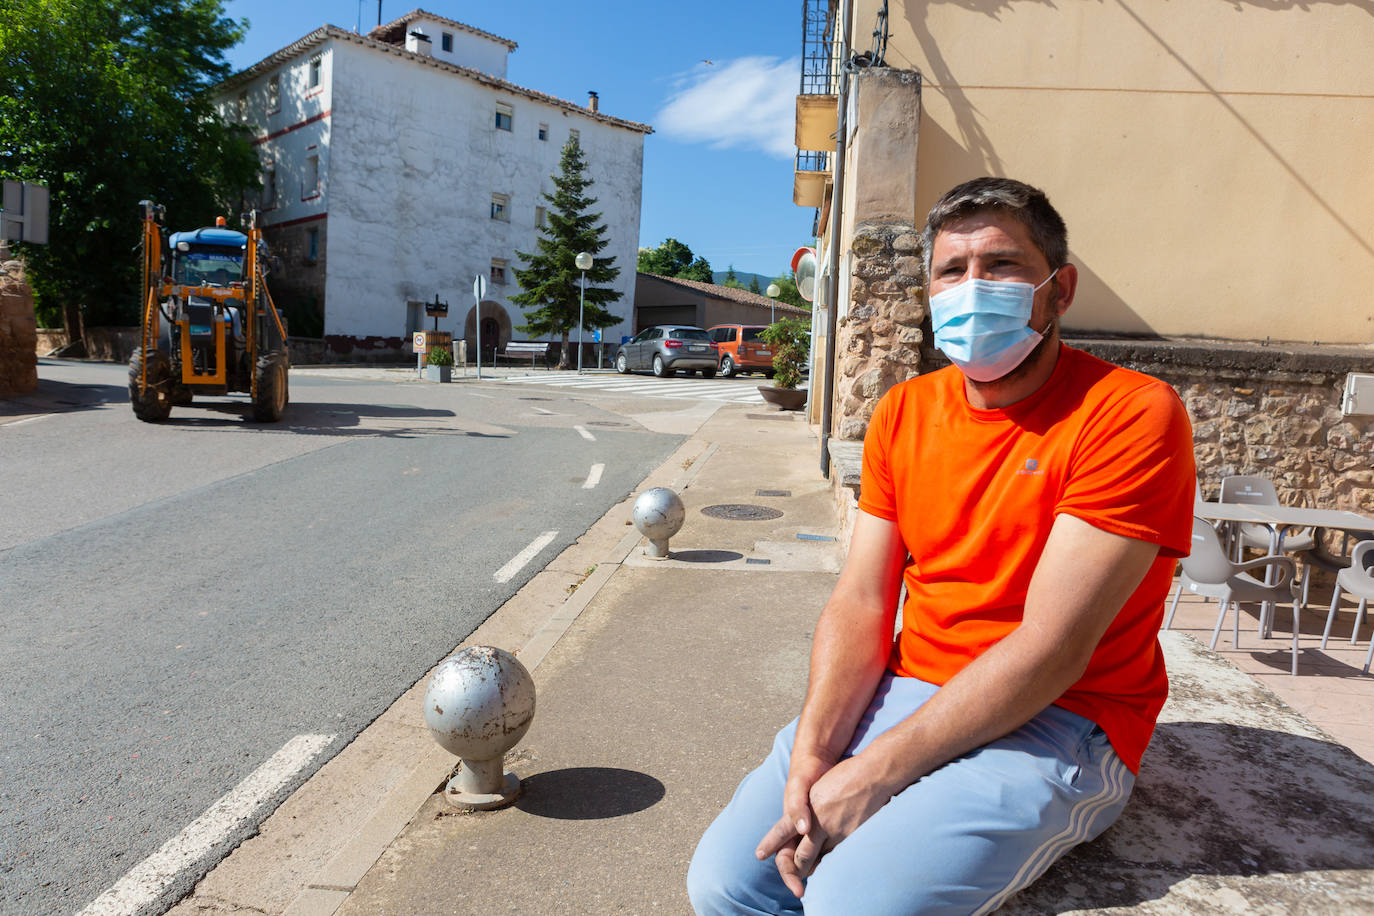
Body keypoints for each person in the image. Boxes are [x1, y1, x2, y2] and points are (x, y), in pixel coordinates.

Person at [687, 177, 1195, 915]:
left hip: (1063, 720)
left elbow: (1052, 649)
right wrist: (815, 751)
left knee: (851, 904)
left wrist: (874, 774)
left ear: (1061, 289)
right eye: (951, 271)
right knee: (728, 887)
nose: (972, 286)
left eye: (1002, 265)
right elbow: (862, 598)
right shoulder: (905, 411)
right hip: (909, 689)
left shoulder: (1129, 416)